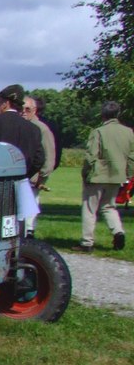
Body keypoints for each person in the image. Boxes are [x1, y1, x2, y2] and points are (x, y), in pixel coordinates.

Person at [79, 100, 131, 252]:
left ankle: (87, 242)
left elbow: (90, 156)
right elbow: (132, 157)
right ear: (118, 114)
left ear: (102, 115)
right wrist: (127, 174)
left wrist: (85, 173)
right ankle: (118, 231)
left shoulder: (98, 132)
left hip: (98, 176)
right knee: (109, 207)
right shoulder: (128, 132)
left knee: (90, 208)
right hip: (117, 175)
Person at [0, 84, 43, 182]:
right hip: (21, 181)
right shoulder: (34, 129)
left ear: (5, 103)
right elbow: (39, 160)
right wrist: (24, 175)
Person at [21, 95, 56, 236]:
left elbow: (49, 155)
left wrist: (42, 177)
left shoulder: (42, 129)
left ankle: (29, 232)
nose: (23, 112)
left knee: (30, 206)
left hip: (34, 177)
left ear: (34, 110)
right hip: (22, 175)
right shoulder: (21, 127)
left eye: (27, 109)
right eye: (21, 109)